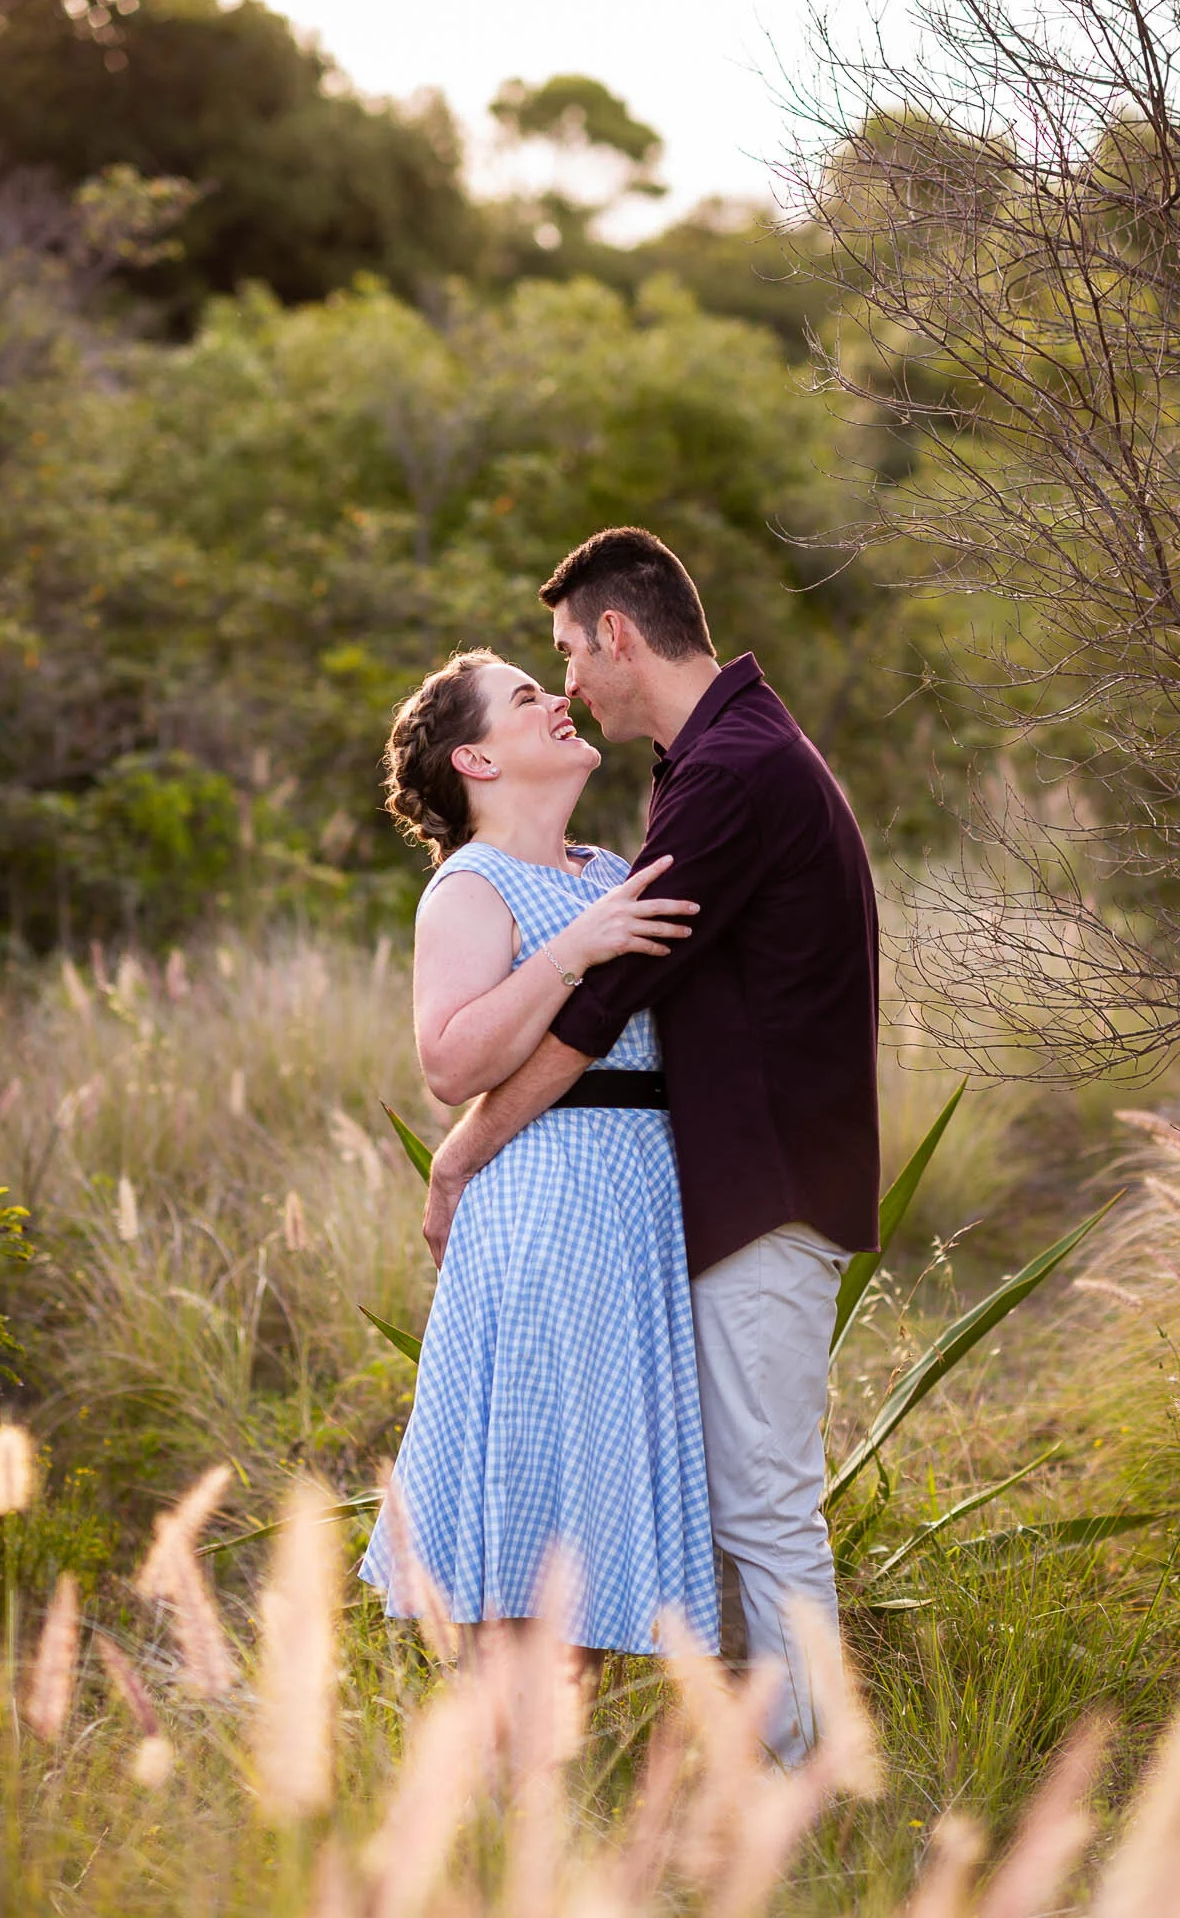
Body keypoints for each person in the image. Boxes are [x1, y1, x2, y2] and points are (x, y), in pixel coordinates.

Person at [421, 529, 881, 1765]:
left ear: (616, 633)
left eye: (567, 652)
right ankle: (765, 1772)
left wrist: (461, 1154)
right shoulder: (724, 754)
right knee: (738, 1503)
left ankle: (804, 1781)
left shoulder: (724, 772)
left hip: (765, 1184)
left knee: (763, 1505)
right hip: (737, 1186)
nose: (566, 680)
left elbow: (596, 1013)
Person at [360, 647, 719, 1673]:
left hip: (633, 1213)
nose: (557, 699)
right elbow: (448, 1060)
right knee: (532, 1533)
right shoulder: (469, 886)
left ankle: (540, 1803)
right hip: (545, 1203)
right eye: (527, 697)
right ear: (474, 758)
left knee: (594, 1534)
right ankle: (489, 1795)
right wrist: (571, 950)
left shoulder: (605, 871)